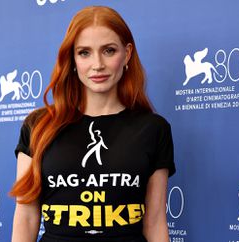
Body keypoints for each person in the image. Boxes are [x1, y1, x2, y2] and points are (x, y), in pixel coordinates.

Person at [10, 5, 175, 242]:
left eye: (109, 50)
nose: (97, 64)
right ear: (72, 58)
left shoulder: (153, 129)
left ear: (127, 54)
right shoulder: (38, 126)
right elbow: (26, 216)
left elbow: (156, 221)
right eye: (84, 52)